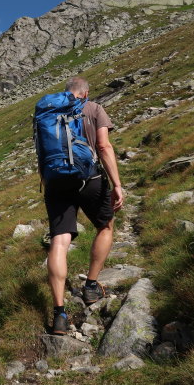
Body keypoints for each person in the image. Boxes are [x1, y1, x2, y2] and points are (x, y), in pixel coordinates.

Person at [42, 76, 124, 335]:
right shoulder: (94, 108)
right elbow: (103, 145)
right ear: (85, 93)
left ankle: (59, 315)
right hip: (90, 179)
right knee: (105, 226)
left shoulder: (49, 110)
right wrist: (117, 184)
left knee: (59, 240)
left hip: (55, 183)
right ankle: (90, 286)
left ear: (66, 93)